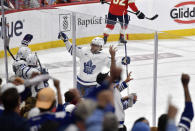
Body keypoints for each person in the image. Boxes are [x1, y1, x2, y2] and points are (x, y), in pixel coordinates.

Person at [58, 32, 111, 97]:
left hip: (93, 84)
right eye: (92, 44)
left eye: (95, 45)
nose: (93, 47)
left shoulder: (104, 57)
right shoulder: (84, 51)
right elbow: (72, 49)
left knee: (89, 104)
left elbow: (113, 66)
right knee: (78, 102)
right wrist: (66, 40)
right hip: (80, 82)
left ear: (101, 47)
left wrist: (123, 61)